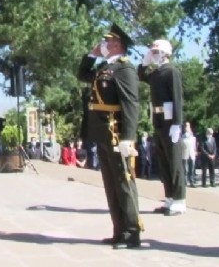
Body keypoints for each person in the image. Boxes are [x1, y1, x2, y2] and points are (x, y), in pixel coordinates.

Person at [77, 23, 142, 249]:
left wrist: (128, 137)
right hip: (103, 134)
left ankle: (132, 232)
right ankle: (118, 230)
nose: (103, 44)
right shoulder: (105, 67)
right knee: (111, 184)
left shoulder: (125, 69)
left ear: (117, 44)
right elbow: (82, 74)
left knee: (124, 183)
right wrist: (91, 55)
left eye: (107, 42)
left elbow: (131, 103)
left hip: (116, 134)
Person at [138, 39, 186, 216]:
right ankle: (170, 198)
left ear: (165, 53)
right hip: (158, 119)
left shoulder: (171, 71)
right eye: (153, 52)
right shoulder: (157, 73)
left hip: (169, 119)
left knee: (174, 162)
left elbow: (177, 99)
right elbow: (141, 76)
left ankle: (180, 200)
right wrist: (144, 62)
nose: (154, 55)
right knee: (164, 162)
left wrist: (177, 123)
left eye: (156, 52)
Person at [181, 122, 197, 188]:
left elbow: (194, 146)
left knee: (192, 169)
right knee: (185, 169)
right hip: (185, 155)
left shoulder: (193, 137)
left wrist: (195, 152)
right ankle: (185, 182)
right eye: (186, 126)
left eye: (188, 126)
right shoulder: (182, 137)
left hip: (192, 154)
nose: (187, 127)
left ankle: (191, 182)